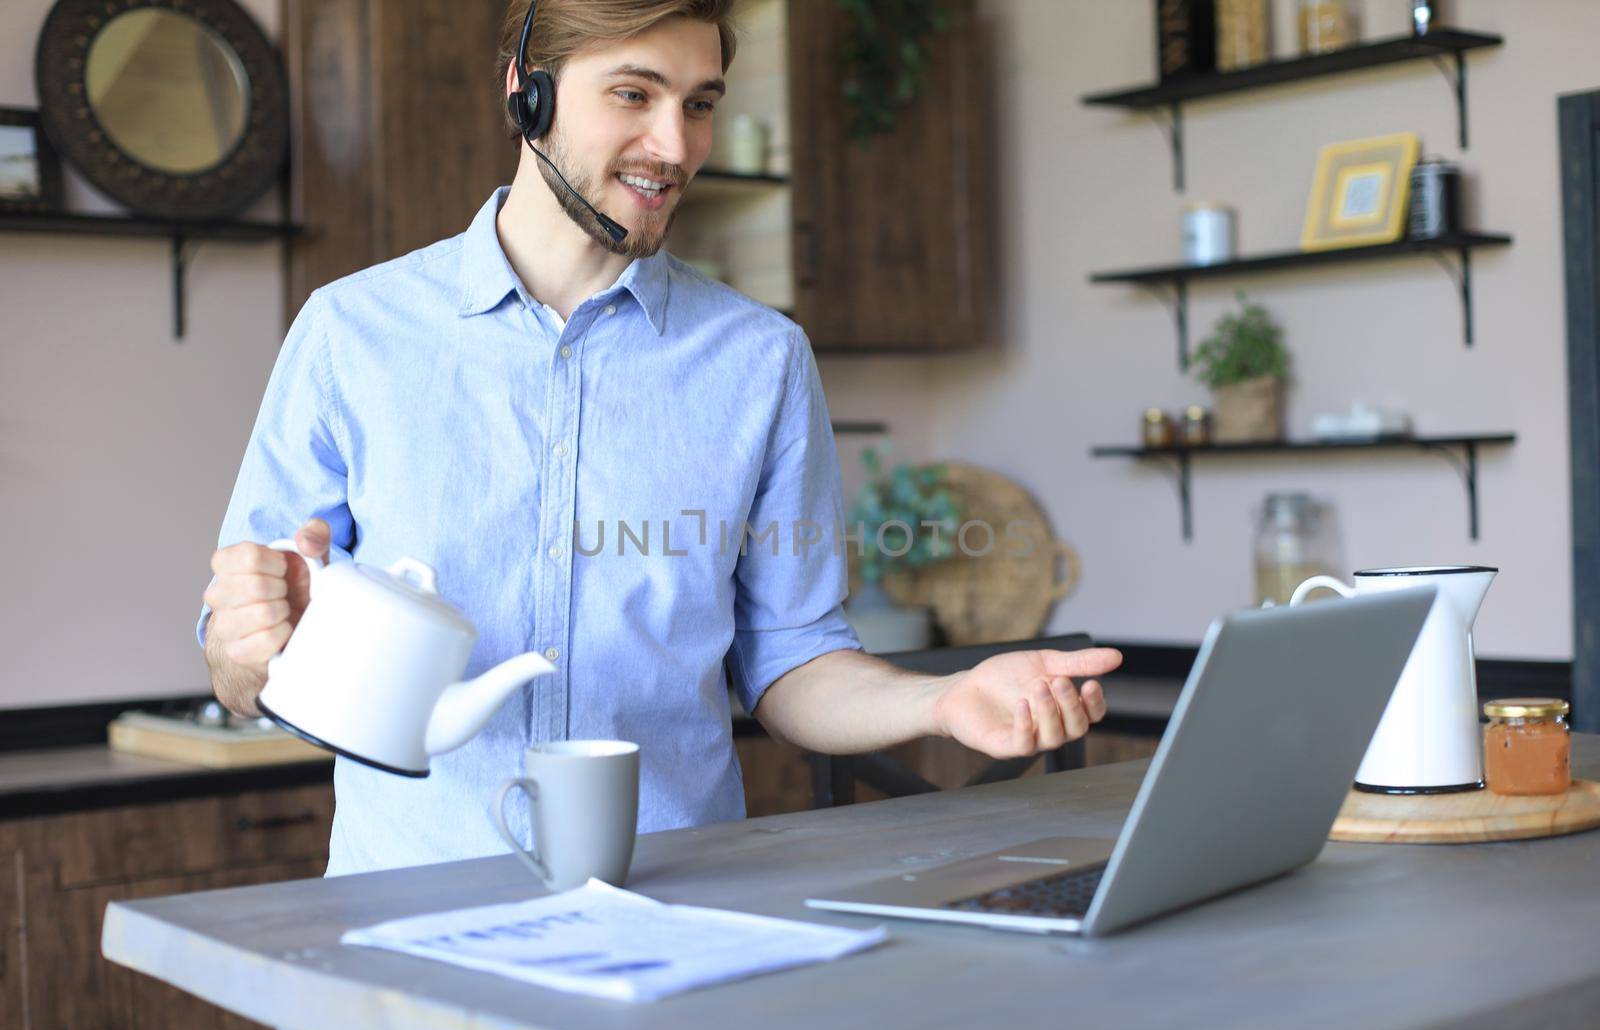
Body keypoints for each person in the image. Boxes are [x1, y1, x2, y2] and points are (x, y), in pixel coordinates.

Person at [199, 0, 1121, 876]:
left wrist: (943, 699)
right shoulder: (350, 333)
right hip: (410, 908)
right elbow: (244, 667)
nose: (676, 147)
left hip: (676, 910)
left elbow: (794, 659)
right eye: (634, 94)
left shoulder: (762, 360)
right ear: (529, 90)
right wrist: (246, 648)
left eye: (702, 105)